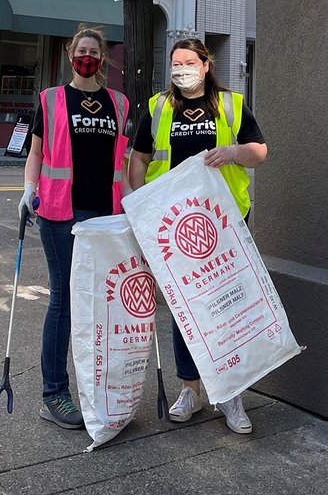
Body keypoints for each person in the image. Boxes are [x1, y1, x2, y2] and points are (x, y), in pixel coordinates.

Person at [128, 37, 267, 434]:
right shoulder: (158, 107)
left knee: (227, 306)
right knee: (184, 308)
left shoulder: (230, 104)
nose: (182, 68)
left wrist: (233, 152)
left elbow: (259, 150)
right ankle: (191, 389)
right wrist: (142, 207)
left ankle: (231, 393)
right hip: (174, 228)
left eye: (190, 61)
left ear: (206, 66)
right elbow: (137, 160)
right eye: (176, 62)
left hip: (225, 222)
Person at [19, 25, 129, 429]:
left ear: (102, 59)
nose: (87, 57)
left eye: (93, 51)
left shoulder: (119, 103)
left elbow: (124, 161)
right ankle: (53, 394)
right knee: (63, 301)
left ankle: (96, 387)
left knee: (101, 304)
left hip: (106, 216)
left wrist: (135, 204)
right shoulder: (50, 100)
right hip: (59, 214)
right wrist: (29, 188)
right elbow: (37, 152)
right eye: (81, 50)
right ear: (71, 56)